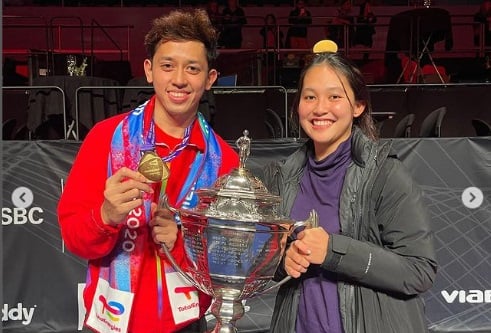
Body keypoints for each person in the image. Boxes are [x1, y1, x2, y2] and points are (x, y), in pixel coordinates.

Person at [57, 9, 239, 333]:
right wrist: (105, 217)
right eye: (167, 65)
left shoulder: (224, 161)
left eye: (193, 68)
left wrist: (181, 243)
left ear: (210, 78)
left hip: (185, 323)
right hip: (111, 321)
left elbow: (230, 258)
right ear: (149, 70)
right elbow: (73, 238)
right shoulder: (106, 139)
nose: (179, 79)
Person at [264, 40, 438, 332]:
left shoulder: (385, 173)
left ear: (358, 106)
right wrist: (284, 260)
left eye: (334, 97)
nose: (320, 109)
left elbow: (418, 271)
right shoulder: (284, 177)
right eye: (309, 97)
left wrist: (333, 250)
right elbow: (268, 260)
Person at [260, 13, 284, 84]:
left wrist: (274, 30)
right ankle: (268, 84)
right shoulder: (265, 29)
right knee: (268, 68)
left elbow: (281, 36)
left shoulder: (276, 28)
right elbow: (261, 33)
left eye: (271, 19)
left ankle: (276, 83)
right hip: (268, 50)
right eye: (268, 19)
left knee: (276, 68)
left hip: (275, 50)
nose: (269, 20)